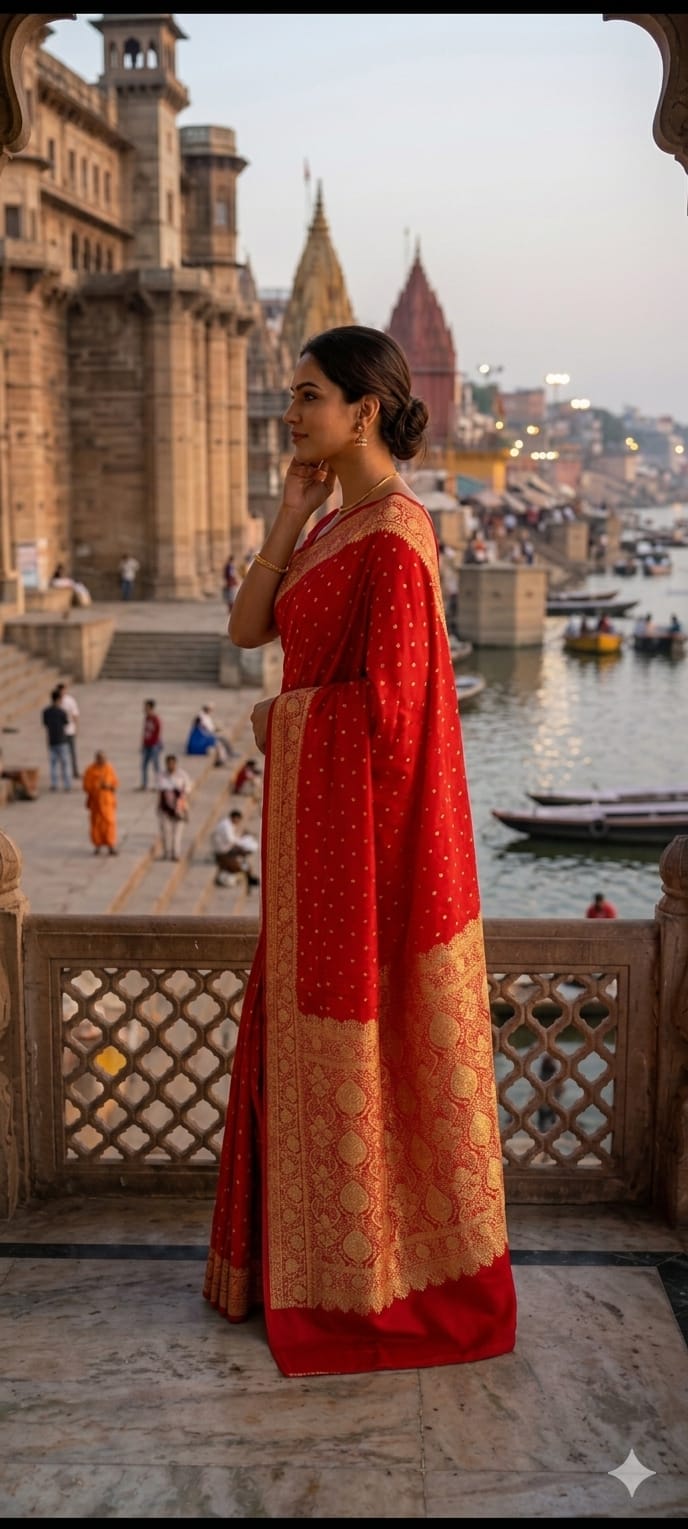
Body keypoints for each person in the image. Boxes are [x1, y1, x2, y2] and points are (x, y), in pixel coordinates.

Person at [203, 324, 516, 1378]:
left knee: (362, 1063)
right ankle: (297, 1267)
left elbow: (391, 719)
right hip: (313, 867)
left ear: (363, 408)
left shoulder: (396, 536)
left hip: (361, 869)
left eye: (305, 395)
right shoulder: (335, 524)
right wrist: (289, 509)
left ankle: (371, 1280)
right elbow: (251, 630)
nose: (288, 412)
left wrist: (279, 728)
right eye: (290, 395)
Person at [211, 808, 260, 889]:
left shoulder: (229, 824)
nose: (238, 822)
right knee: (240, 866)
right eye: (238, 820)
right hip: (223, 852)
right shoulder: (226, 825)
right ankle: (249, 878)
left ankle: (250, 878)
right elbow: (231, 840)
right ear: (235, 818)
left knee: (246, 865)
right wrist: (241, 846)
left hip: (227, 850)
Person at [82, 749, 118, 856]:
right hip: (96, 803)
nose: (102, 760)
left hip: (108, 802)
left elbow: (115, 784)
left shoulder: (109, 768)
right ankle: (97, 845)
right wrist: (97, 786)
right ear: (96, 759)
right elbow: (86, 787)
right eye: (100, 758)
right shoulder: (90, 770)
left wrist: (109, 786)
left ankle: (111, 845)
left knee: (110, 824)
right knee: (96, 825)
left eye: (104, 758)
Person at [156, 753, 191, 862]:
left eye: (172, 764)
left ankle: (175, 853)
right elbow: (160, 790)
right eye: (168, 764)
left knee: (177, 833)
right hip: (164, 807)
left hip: (179, 807)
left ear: (175, 764)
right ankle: (166, 853)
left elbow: (187, 789)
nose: (170, 766)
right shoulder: (161, 775)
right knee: (165, 831)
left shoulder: (182, 775)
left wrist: (182, 803)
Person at [41, 686, 72, 791]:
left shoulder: (46, 712)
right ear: (59, 699)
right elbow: (66, 724)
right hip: (62, 740)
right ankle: (67, 785)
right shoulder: (62, 712)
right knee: (65, 764)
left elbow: (46, 725)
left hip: (52, 740)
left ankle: (54, 784)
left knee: (53, 764)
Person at [55, 681, 80, 778]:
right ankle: (64, 772)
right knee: (61, 753)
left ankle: (74, 771)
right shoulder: (56, 701)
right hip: (60, 731)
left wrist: (76, 727)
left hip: (69, 730)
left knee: (72, 752)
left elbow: (75, 714)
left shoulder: (70, 700)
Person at [140, 698, 163, 789]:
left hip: (154, 745)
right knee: (144, 765)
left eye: (146, 707)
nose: (144, 709)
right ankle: (144, 784)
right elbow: (145, 731)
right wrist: (143, 743)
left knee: (156, 766)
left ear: (151, 708)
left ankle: (159, 784)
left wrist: (154, 743)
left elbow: (157, 733)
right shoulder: (146, 718)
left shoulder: (156, 719)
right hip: (146, 745)